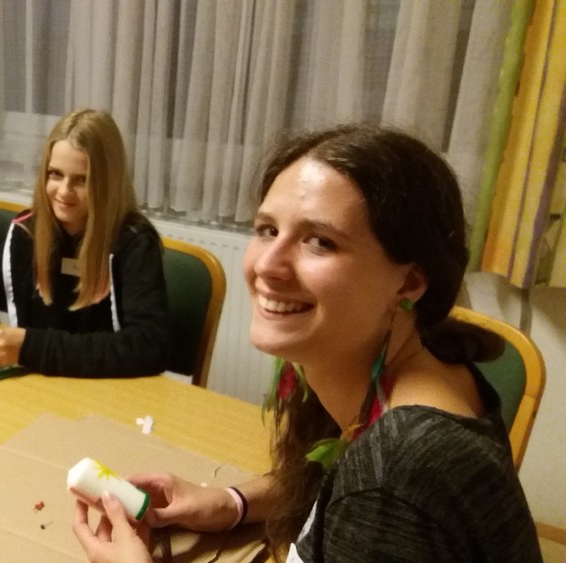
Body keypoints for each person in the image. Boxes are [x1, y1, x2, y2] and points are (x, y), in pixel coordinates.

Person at [72, 124, 541, 562]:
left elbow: (376, 496)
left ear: (409, 282)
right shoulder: (425, 367)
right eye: (268, 230)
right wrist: (232, 502)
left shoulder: (392, 477)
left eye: (320, 241)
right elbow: (332, 478)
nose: (267, 265)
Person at [0, 108, 170, 377]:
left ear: (108, 182)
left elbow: (149, 346)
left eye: (82, 180)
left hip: (107, 389)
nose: (64, 191)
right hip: (39, 383)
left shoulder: (135, 243)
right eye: (55, 174)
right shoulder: (26, 232)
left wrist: (30, 348)